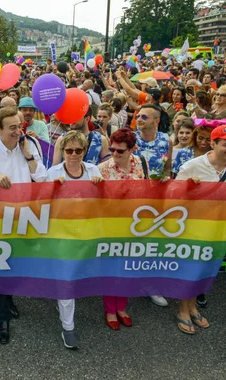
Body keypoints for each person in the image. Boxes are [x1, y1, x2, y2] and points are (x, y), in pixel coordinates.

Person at [0, 107, 48, 346]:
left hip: (25, 218)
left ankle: (8, 298)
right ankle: (2, 319)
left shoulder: (28, 145)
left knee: (16, 264)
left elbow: (42, 178)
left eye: (19, 126)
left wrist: (28, 153)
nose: (17, 131)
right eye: (12, 128)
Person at [47, 131, 103, 348]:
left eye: (78, 150)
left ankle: (60, 298)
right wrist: (52, 189)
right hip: (61, 234)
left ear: (84, 151)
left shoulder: (93, 171)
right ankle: (68, 328)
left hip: (86, 233)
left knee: (78, 275)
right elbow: (41, 204)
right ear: (62, 151)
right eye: (69, 150)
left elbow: (103, 202)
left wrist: (100, 185)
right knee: (67, 279)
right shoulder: (53, 173)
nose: (73, 154)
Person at [174, 124, 226, 334]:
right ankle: (182, 310)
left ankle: (192, 306)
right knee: (191, 268)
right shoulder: (193, 165)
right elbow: (174, 195)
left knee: (204, 268)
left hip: (218, 229)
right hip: (193, 227)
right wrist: (188, 188)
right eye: (225, 144)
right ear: (212, 144)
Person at [97, 129, 149, 330]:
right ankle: (110, 309)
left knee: (128, 267)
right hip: (112, 226)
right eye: (112, 149)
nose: (115, 154)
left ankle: (122, 307)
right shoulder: (102, 169)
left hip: (136, 225)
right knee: (112, 269)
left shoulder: (142, 163)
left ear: (132, 149)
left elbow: (149, 190)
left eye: (120, 151)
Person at [131, 104, 172, 307]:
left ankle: (150, 285)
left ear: (156, 121)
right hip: (130, 201)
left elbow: (167, 168)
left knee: (152, 245)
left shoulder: (166, 140)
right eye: (138, 115)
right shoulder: (129, 138)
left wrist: (165, 178)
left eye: (144, 117)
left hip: (156, 201)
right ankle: (123, 282)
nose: (138, 119)